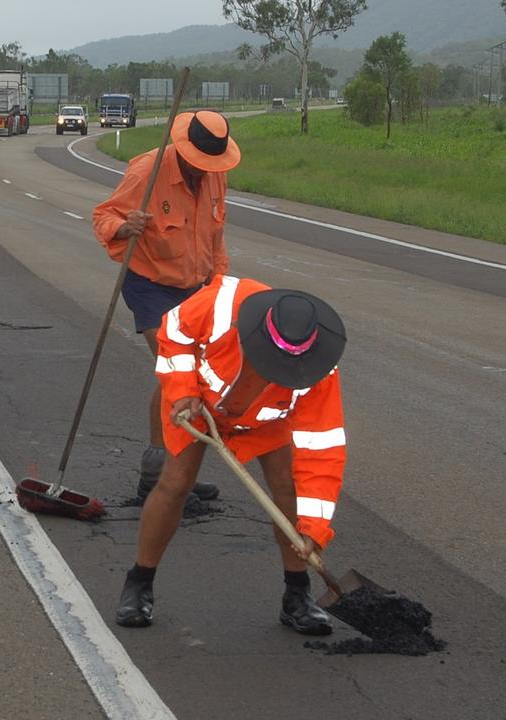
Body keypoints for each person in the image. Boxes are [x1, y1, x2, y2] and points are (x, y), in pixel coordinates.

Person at [114, 275, 348, 636]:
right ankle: (139, 582)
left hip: (265, 419)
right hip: (195, 404)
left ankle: (297, 595)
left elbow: (322, 449)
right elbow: (174, 332)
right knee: (176, 483)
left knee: (289, 488)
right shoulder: (221, 304)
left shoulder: (318, 368)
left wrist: (315, 529)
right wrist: (182, 389)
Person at [92, 110, 240, 503]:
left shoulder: (215, 176)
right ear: (184, 149)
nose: (204, 170)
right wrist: (124, 227)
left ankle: (178, 475)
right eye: (198, 162)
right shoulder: (147, 172)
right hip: (150, 284)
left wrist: (219, 286)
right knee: (179, 374)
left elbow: (216, 235)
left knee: (192, 380)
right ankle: (157, 481)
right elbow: (103, 215)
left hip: (195, 286)